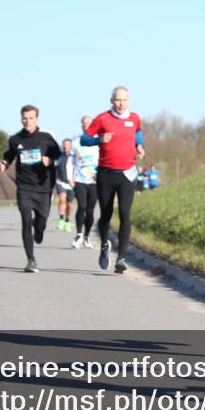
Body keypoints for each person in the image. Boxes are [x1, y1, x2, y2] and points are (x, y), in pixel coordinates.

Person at [81, 87, 145, 273]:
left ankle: (121, 257)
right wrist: (99, 139)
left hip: (127, 174)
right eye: (117, 100)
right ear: (111, 100)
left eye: (124, 100)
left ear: (129, 100)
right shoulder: (102, 118)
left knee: (125, 213)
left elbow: (137, 133)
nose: (121, 103)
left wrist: (139, 146)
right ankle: (103, 245)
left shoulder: (134, 118)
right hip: (106, 173)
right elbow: (85, 139)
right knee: (106, 214)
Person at [0, 105, 61, 273]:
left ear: (37, 119)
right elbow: (10, 154)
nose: (27, 121)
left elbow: (58, 154)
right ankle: (30, 260)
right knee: (26, 221)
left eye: (31, 118)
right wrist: (5, 163)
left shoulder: (46, 138)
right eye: (25, 118)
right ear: (21, 119)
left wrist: (49, 159)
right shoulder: (15, 139)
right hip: (24, 187)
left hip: (43, 187)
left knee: (42, 220)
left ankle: (39, 229)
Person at [70, 116, 100, 250]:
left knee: (90, 210)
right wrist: (70, 177)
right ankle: (78, 234)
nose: (86, 125)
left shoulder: (98, 141)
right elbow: (70, 162)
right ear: (81, 125)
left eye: (89, 123)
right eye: (84, 123)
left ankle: (87, 236)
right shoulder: (76, 142)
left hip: (94, 180)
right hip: (79, 179)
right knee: (81, 206)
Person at [55, 138, 76, 232]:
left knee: (70, 204)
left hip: (71, 184)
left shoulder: (74, 157)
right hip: (60, 182)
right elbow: (54, 166)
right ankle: (61, 219)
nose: (65, 147)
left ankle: (67, 221)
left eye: (67, 145)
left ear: (71, 146)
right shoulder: (59, 156)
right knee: (62, 199)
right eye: (64, 145)